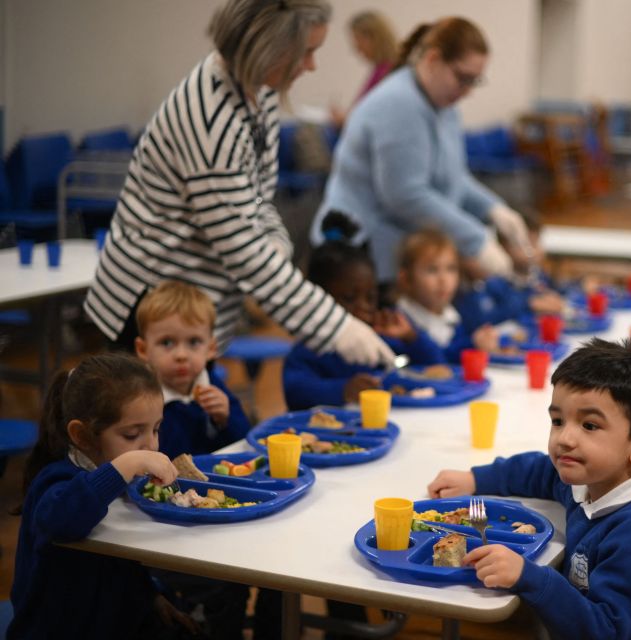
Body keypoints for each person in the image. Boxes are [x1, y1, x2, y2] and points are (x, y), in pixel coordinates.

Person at [83, 0, 393, 369]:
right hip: (152, 307)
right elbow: (242, 252)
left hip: (193, 306)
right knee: (151, 421)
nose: (311, 66)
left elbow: (258, 197)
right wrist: (339, 329)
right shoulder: (212, 117)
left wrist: (275, 243)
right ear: (270, 48)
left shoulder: (258, 91)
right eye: (306, 52)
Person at [427, 338, 631, 639]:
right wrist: (475, 479)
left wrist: (531, 578)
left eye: (589, 425)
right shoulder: (588, 479)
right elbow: (538, 470)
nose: (564, 438)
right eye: (558, 420)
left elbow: (608, 632)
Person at [309, 17, 534, 288]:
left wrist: (494, 209)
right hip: (356, 256)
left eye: (475, 81)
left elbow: (453, 178)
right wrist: (476, 240)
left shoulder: (445, 106)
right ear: (433, 59)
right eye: (463, 78)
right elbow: (404, 195)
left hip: (393, 253)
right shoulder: (399, 103)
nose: (468, 91)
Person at [9, 354, 197, 639]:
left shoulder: (121, 477)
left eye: (156, 429)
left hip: (115, 620)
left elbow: (121, 560)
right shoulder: (56, 480)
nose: (150, 445)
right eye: (133, 434)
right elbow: (63, 521)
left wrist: (152, 597)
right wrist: (125, 465)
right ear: (83, 436)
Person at [283, 213, 445, 410]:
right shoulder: (310, 347)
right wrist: (343, 390)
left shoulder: (381, 335)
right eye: (349, 298)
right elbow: (295, 391)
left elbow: (437, 368)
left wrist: (411, 337)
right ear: (319, 300)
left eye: (370, 297)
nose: (364, 306)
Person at [134, 280, 250, 459]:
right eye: (167, 343)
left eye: (194, 342)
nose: (181, 355)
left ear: (211, 348)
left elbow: (241, 440)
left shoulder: (211, 384)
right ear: (143, 349)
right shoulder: (140, 397)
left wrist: (225, 418)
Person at [395, 229, 498, 363]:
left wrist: (480, 341)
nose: (443, 279)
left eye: (451, 269)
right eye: (432, 270)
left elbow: (450, 354)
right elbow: (438, 361)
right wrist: (471, 345)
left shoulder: (452, 318)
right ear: (406, 279)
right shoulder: (398, 322)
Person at [329, 10, 397, 128]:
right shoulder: (381, 69)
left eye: (357, 40)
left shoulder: (387, 73)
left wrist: (345, 119)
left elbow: (377, 118)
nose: (356, 48)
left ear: (372, 38)